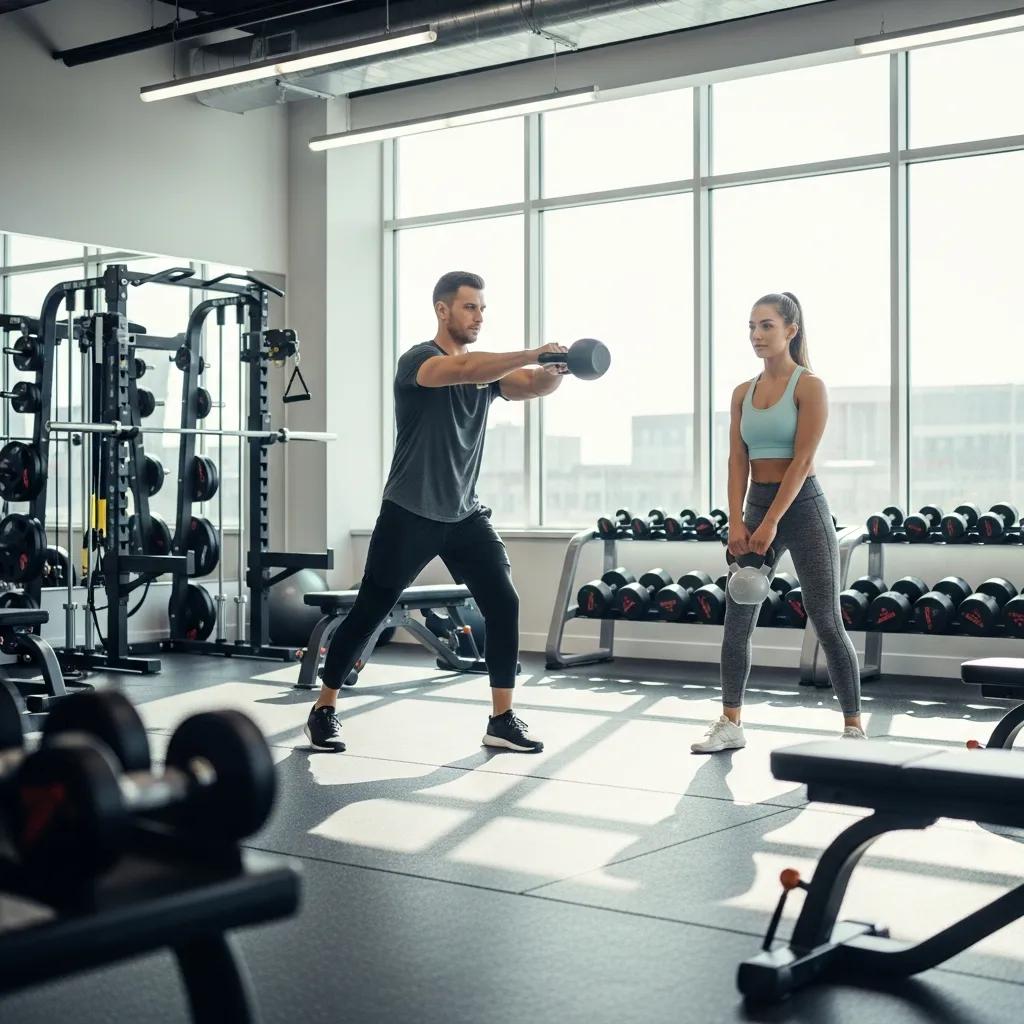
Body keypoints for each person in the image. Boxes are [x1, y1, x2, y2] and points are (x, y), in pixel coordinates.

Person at [306, 271, 569, 754]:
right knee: (370, 610)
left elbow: (531, 387)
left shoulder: (485, 374)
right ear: (442, 310)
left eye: (483, 309)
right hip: (409, 512)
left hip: (464, 515)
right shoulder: (420, 362)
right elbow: (467, 371)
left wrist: (553, 370)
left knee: (503, 602)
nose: (479, 317)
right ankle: (325, 706)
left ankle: (502, 717)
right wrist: (535, 351)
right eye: (471, 308)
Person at [691, 292, 866, 754]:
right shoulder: (741, 393)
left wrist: (770, 523)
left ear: (791, 330)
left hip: (802, 506)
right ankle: (730, 722)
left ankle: (853, 727)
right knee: (738, 619)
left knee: (826, 618)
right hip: (755, 506)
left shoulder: (810, 386)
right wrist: (736, 521)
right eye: (751, 326)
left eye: (766, 325)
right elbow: (736, 461)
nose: (756, 335)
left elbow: (803, 459)